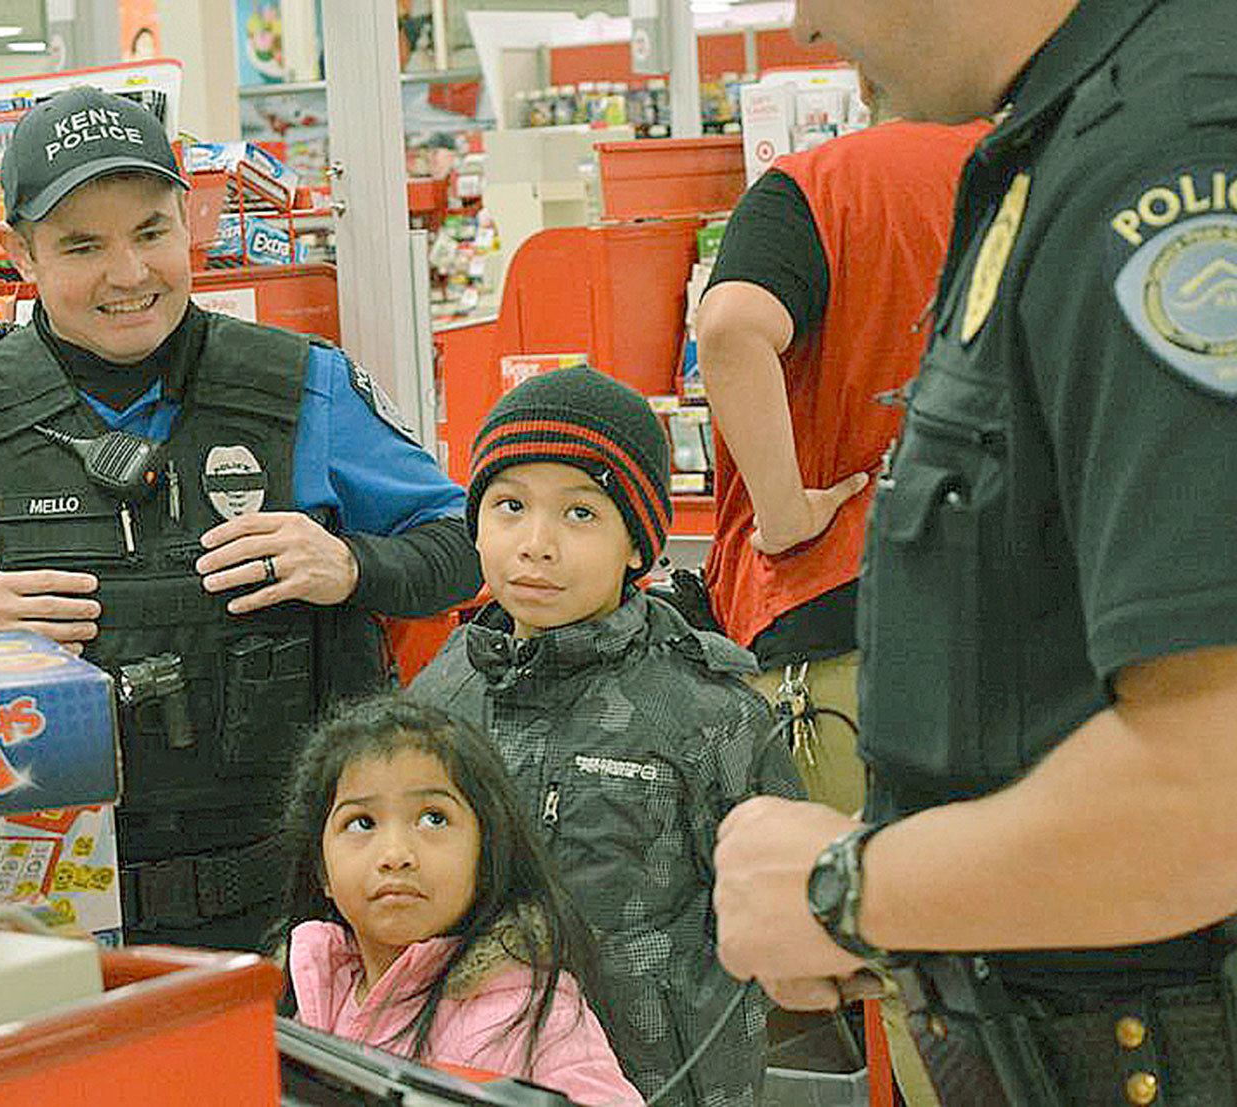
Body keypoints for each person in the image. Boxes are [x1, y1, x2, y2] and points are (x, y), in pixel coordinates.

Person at [712, 0, 1237, 1103]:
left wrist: (843, 889)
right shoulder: (1068, 137)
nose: (802, 28)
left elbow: (1211, 785)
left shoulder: (1165, 154)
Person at [0, 86, 482, 951]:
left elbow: (468, 544)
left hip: (290, 926)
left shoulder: (302, 385)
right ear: (20, 251)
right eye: (83, 245)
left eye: (151, 232)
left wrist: (351, 564)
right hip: (39, 926)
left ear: (189, 221)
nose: (129, 273)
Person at [409, 367, 803, 1107]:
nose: (536, 544)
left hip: (664, 1081)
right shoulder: (439, 692)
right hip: (476, 1075)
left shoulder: (706, 711)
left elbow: (782, 914)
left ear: (637, 545)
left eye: (581, 513)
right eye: (509, 505)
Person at [697, 111, 989, 812]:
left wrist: (786, 511)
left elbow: (731, 325)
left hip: (842, 606)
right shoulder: (1069, 162)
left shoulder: (821, 184)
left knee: (848, 902)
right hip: (1049, 611)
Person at [272, 696, 642, 1106]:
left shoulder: (535, 1012)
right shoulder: (309, 990)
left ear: (487, 854)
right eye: (362, 823)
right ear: (322, 871)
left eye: (434, 817)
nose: (395, 854)